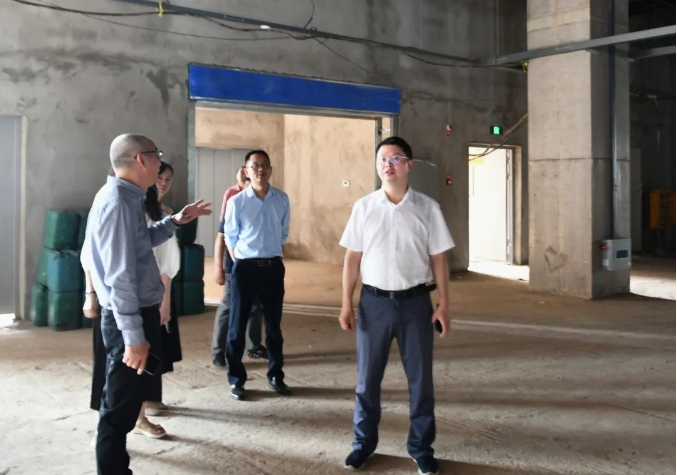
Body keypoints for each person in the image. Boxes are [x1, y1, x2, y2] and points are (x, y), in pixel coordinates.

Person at [86, 133, 210, 475]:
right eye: (157, 155)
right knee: (118, 411)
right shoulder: (118, 203)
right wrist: (132, 336)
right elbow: (120, 275)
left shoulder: (127, 198)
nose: (160, 163)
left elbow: (141, 244)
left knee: (126, 401)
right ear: (141, 160)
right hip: (129, 316)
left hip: (139, 313)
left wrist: (175, 221)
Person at [338, 136, 454, 475]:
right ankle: (362, 444)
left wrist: (444, 304)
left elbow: (439, 259)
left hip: (415, 304)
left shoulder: (427, 208)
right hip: (373, 304)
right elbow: (352, 258)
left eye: (395, 158)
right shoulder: (364, 207)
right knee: (367, 380)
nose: (387, 164)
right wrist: (346, 303)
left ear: (409, 165)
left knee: (420, 381)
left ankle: (421, 448)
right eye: (382, 159)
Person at [223, 149, 291, 400]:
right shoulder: (237, 202)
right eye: (255, 166)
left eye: (264, 165)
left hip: (273, 268)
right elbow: (230, 236)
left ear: (270, 169)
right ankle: (236, 379)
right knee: (237, 325)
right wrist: (241, 262)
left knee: (273, 326)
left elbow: (284, 231)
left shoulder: (281, 199)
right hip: (245, 268)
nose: (260, 169)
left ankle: (276, 376)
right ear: (246, 171)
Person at [212, 168, 267, 368]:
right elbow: (221, 238)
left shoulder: (263, 205)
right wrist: (218, 268)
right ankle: (219, 352)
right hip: (234, 268)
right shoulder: (234, 203)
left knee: (255, 307)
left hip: (258, 267)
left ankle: (254, 346)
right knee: (229, 307)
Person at [143, 161, 183, 418]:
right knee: (147, 342)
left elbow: (168, 261)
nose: (164, 182)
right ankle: (144, 400)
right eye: (160, 177)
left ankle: (152, 396)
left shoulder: (166, 212)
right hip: (148, 287)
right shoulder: (139, 210)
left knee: (160, 342)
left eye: (168, 178)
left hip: (163, 284)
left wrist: (166, 297)